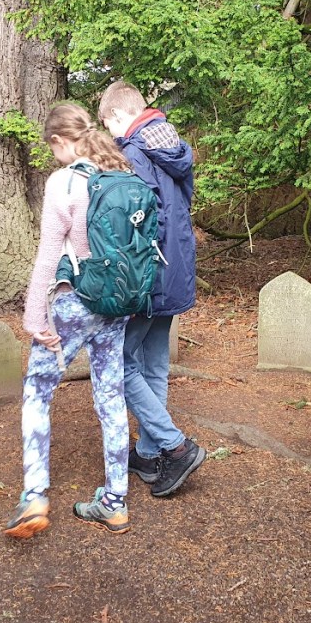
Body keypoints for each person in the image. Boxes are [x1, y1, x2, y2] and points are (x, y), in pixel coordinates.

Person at [4, 102, 133, 539]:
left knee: (38, 390)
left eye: (52, 147)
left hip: (75, 302)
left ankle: (34, 496)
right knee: (111, 395)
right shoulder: (122, 175)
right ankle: (115, 502)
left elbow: (47, 256)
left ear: (60, 141)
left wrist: (33, 315)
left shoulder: (63, 183)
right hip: (117, 304)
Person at [98, 81, 206, 498]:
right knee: (154, 363)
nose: (110, 135)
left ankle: (175, 447)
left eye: (109, 125)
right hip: (176, 267)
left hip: (148, 275)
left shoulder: (134, 153)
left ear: (119, 116)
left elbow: (144, 221)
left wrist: (124, 275)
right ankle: (146, 453)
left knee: (120, 363)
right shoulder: (172, 144)